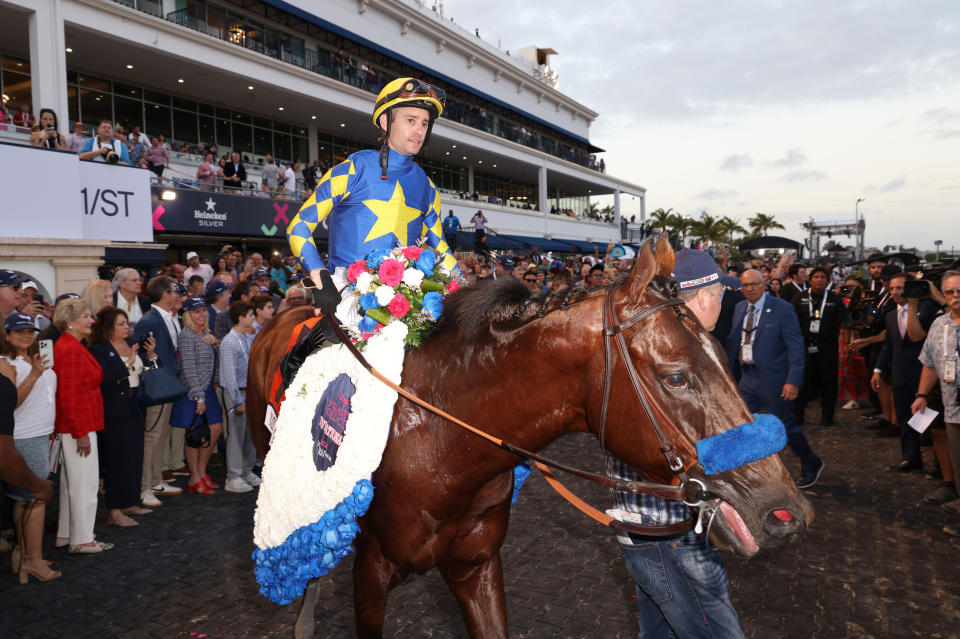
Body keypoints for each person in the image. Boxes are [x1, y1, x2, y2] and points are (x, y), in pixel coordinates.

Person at [611, 249, 745, 638]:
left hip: (653, 524)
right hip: (668, 529)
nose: (721, 304)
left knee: (659, 631)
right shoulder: (671, 362)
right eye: (721, 294)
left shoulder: (650, 346)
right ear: (703, 297)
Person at [286, 77, 458, 316]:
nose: (419, 130)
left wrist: (465, 288)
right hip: (346, 297)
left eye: (424, 123)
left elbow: (440, 246)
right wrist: (320, 277)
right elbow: (299, 227)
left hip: (404, 303)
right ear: (386, 121)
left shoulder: (428, 188)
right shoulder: (351, 170)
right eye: (411, 120)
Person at [726, 269, 824, 488]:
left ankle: (811, 462)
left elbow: (796, 347)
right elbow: (735, 341)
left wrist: (793, 381)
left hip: (775, 381)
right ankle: (751, 470)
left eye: (754, 284)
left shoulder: (782, 309)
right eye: (745, 285)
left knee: (783, 426)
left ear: (765, 285)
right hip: (747, 378)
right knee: (743, 423)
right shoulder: (740, 308)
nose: (749, 289)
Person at [0, 312, 60, 582]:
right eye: (19, 331)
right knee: (35, 500)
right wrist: (35, 374)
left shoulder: (36, 357)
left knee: (27, 501)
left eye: (30, 331)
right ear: (7, 335)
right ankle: (32, 560)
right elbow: (11, 403)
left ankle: (23, 555)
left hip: (41, 434)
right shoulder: (6, 362)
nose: (26, 336)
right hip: (23, 437)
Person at [51, 299, 113, 553]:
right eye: (86, 316)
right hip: (78, 426)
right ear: (70, 322)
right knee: (84, 484)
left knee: (71, 484)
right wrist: (80, 434)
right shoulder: (71, 349)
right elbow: (69, 396)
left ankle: (67, 534)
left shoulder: (69, 345)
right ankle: (82, 539)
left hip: (75, 425)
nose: (92, 321)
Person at [88, 307, 155, 527]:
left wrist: (150, 356)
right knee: (117, 460)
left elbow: (143, 370)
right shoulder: (99, 349)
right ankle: (114, 510)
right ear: (109, 327)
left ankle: (130, 501)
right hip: (114, 410)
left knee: (135, 455)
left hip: (135, 404)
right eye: (121, 323)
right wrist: (127, 365)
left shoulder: (131, 344)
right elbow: (101, 379)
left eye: (127, 323)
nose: (127, 327)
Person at [873, 271, 941, 472]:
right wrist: (877, 370)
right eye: (892, 288)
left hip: (925, 375)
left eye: (900, 288)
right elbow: (889, 346)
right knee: (905, 419)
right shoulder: (891, 316)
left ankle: (941, 466)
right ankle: (910, 459)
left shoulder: (928, 308)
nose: (895, 292)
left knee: (931, 422)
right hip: (900, 375)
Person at [913, 270, 960, 536]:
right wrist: (921, 396)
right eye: (950, 292)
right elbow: (929, 364)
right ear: (943, 295)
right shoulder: (939, 325)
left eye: (959, 291)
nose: (955, 297)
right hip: (952, 408)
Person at [133, 276, 183, 508]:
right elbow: (141, 354)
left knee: (161, 434)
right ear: (165, 294)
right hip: (156, 386)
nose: (178, 295)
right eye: (175, 291)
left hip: (167, 385)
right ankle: (144, 487)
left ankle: (156, 480)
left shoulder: (168, 317)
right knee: (151, 436)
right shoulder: (149, 320)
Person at [169, 297, 223, 494]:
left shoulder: (207, 333)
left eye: (203, 311)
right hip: (194, 392)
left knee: (215, 430)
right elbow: (189, 369)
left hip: (209, 389)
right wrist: (198, 397)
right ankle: (195, 477)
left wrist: (216, 342)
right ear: (188, 315)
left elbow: (216, 359)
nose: (202, 315)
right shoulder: (186, 336)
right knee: (195, 435)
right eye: (196, 311)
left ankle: (201, 472)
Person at [793, 267, 848, 426]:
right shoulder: (799, 298)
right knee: (802, 381)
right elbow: (790, 321)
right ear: (810, 280)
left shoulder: (835, 299)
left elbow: (844, 321)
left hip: (828, 347)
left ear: (828, 280)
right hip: (804, 346)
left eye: (823, 277)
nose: (819, 280)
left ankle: (828, 417)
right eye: (816, 277)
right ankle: (798, 416)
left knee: (828, 383)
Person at [219, 302, 261, 493]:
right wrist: (237, 400)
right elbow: (229, 375)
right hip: (235, 392)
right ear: (240, 317)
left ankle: (246, 470)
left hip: (248, 391)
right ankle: (233, 477)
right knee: (236, 436)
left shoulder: (246, 337)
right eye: (251, 315)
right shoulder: (229, 341)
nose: (253, 318)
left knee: (249, 435)